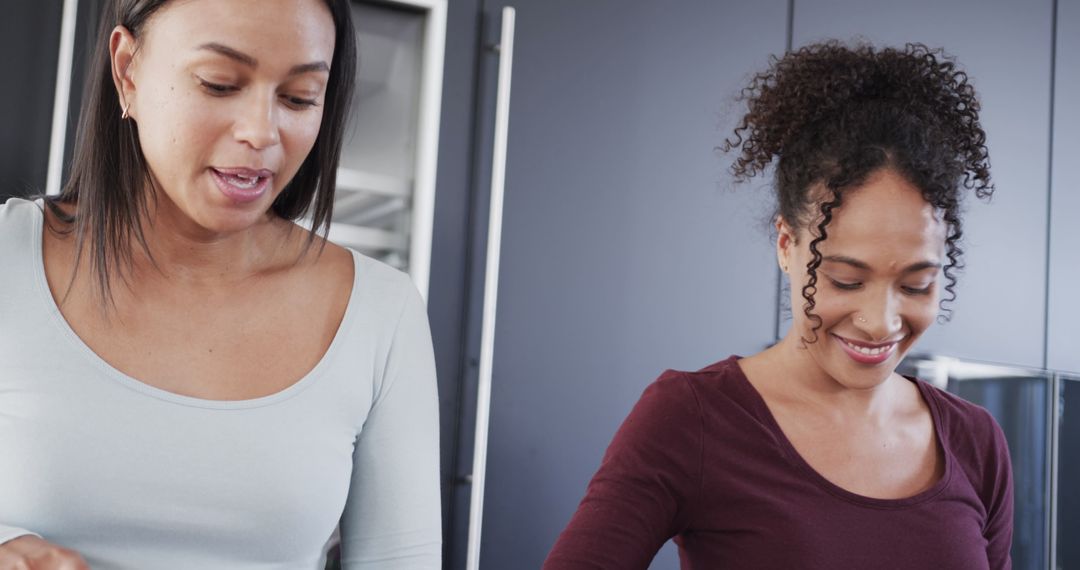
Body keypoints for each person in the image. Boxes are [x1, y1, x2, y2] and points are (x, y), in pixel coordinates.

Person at [0, 1, 441, 568]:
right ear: (127, 70)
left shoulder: (382, 310)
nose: (262, 132)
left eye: (299, 97)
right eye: (220, 84)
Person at [544, 41, 1013, 569]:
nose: (881, 321)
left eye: (916, 285)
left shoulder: (976, 442)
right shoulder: (692, 418)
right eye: (845, 279)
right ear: (787, 245)